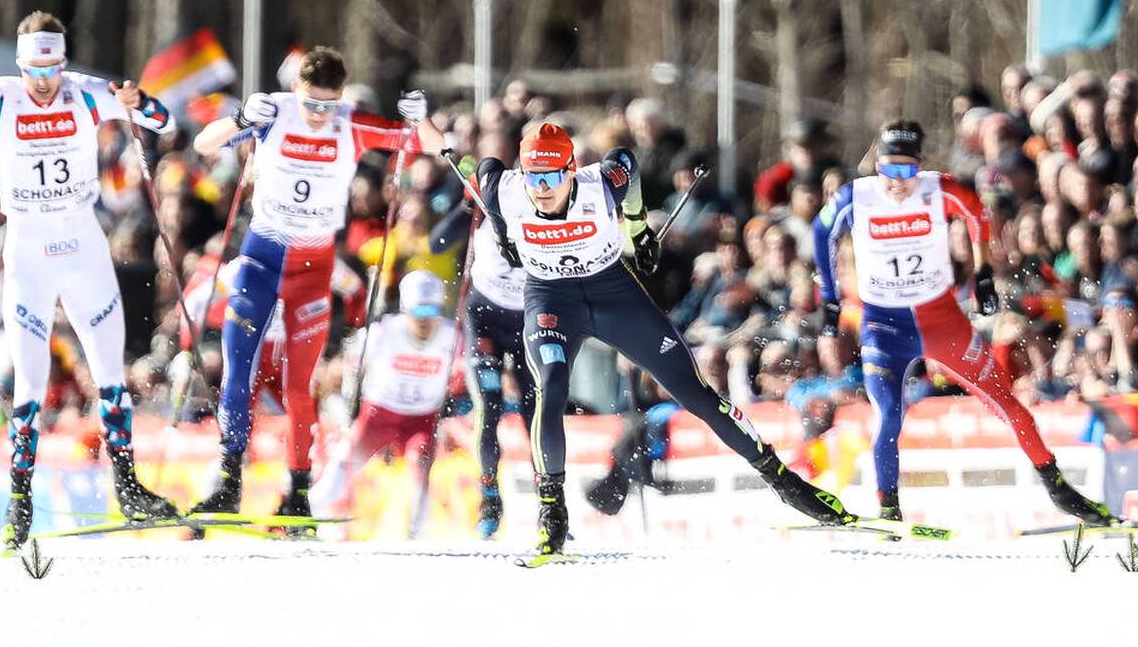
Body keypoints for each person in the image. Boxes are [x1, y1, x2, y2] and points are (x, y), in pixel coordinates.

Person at [478, 122, 856, 556]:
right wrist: (504, 233)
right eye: (533, 178)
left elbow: (626, 160)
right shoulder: (505, 190)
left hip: (612, 296)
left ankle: (785, 483)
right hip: (551, 300)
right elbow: (484, 168)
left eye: (550, 177)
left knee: (696, 394)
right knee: (553, 384)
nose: (541, 189)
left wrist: (637, 229)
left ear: (570, 170)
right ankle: (552, 511)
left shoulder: (600, 184)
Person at [0, 11, 179, 548]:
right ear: (20, 64)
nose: (43, 83)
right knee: (28, 384)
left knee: (109, 372)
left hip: (84, 247)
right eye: (33, 71)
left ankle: (131, 490)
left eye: (52, 70)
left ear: (63, 63)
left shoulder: (87, 93)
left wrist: (143, 103)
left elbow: (164, 123)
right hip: (29, 253)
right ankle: (18, 504)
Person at [813, 120, 1117, 525]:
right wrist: (830, 298)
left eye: (906, 172)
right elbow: (821, 232)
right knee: (887, 414)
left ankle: (1059, 490)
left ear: (918, 168)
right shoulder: (858, 195)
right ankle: (888, 508)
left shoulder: (937, 188)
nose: (897, 183)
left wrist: (983, 272)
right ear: (877, 168)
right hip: (884, 326)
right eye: (889, 171)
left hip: (942, 322)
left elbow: (978, 214)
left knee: (1009, 405)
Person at [189, 45, 443, 518]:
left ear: (341, 98)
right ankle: (228, 477)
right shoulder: (274, 112)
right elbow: (204, 143)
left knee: (300, 386)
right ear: (296, 90)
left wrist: (421, 116)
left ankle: (299, 494)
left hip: (312, 270)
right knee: (237, 369)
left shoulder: (352, 123)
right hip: (261, 259)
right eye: (311, 104)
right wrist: (241, 117)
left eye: (328, 105)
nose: (318, 116)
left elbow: (425, 143)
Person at [313, 270, 457, 537]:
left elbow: (463, 373)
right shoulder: (383, 332)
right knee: (345, 462)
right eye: (419, 311)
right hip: (380, 412)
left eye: (432, 311)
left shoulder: (452, 336)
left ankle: (417, 534)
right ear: (405, 309)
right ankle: (309, 513)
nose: (425, 321)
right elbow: (346, 365)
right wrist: (348, 396)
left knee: (420, 466)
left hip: (422, 418)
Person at [430, 186, 535, 539]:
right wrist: (465, 205)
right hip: (485, 315)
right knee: (488, 407)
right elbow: (437, 245)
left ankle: (551, 502)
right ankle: (490, 497)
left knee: (534, 410)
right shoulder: (489, 206)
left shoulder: (548, 205)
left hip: (526, 320)